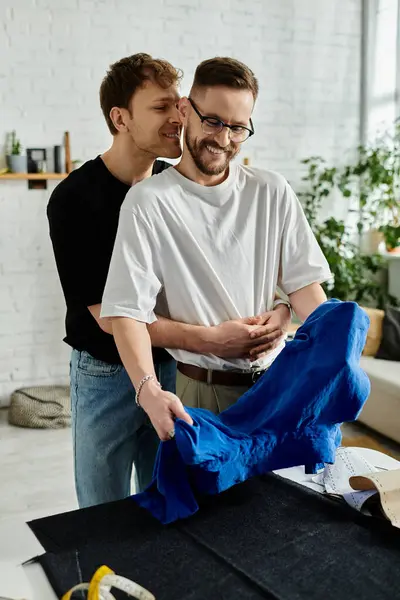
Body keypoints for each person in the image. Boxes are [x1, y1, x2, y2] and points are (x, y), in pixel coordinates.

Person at [48, 53, 288, 508]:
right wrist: (212, 340)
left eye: (178, 105)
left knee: (165, 495)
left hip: (176, 365)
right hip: (107, 374)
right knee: (103, 506)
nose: (178, 117)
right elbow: (109, 318)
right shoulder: (73, 200)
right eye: (161, 108)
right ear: (120, 118)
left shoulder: (173, 183)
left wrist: (275, 309)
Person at [100, 56, 333, 444]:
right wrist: (148, 390)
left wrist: (331, 351)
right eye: (213, 122)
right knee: (212, 505)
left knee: (285, 503)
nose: (223, 139)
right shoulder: (147, 202)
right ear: (185, 110)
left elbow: (304, 287)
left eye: (238, 128)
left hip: (278, 382)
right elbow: (126, 313)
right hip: (202, 394)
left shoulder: (271, 191)